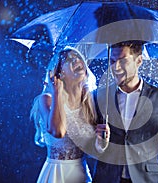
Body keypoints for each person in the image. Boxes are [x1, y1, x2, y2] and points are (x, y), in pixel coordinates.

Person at [93, 41, 158, 183]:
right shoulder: (99, 96)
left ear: (139, 61)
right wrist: (99, 144)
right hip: (107, 178)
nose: (115, 67)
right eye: (112, 60)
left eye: (122, 61)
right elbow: (87, 142)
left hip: (146, 179)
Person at [30, 46, 109, 183]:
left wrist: (103, 141)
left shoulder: (89, 101)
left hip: (82, 174)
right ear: (60, 73)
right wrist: (57, 93)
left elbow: (94, 152)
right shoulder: (47, 99)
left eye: (79, 58)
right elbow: (58, 132)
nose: (77, 60)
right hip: (57, 174)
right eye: (70, 59)